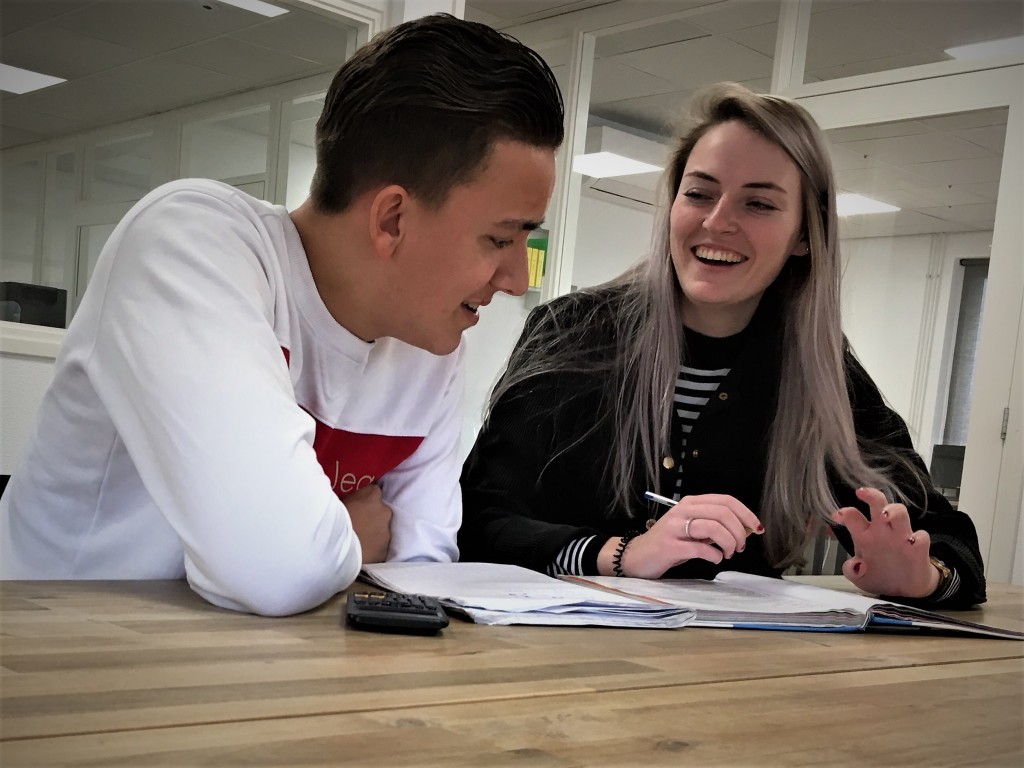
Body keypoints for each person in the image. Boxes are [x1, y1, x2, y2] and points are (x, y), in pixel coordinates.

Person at [1, 14, 562, 616]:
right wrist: (353, 535)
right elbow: (281, 569)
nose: (517, 282)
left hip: (251, 672)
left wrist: (327, 545)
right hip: (52, 654)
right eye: (502, 240)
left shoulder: (431, 349)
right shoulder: (189, 242)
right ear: (392, 219)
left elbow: (416, 582)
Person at [460, 82, 984, 608]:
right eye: (699, 193)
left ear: (805, 234)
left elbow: (950, 546)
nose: (717, 221)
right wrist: (621, 553)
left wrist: (920, 576)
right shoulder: (570, 332)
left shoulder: (818, 373)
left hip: (733, 673)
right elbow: (477, 523)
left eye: (758, 203)